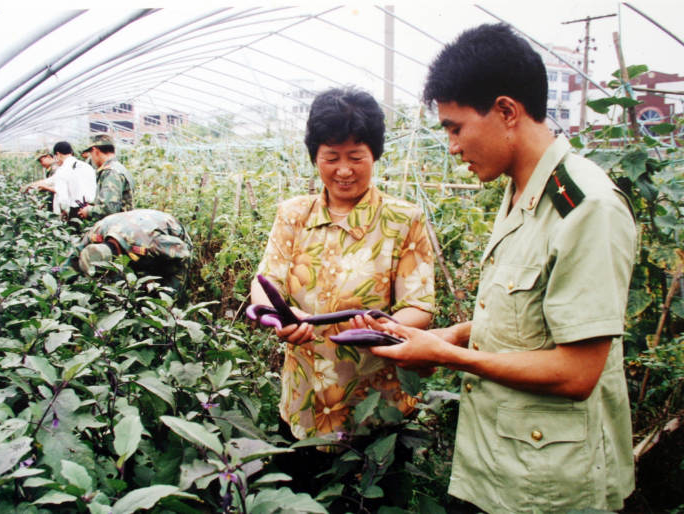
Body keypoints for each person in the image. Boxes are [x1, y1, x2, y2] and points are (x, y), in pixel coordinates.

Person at [355, 23, 637, 513]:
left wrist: (448, 358)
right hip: (498, 467)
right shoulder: (520, 192)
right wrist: (452, 335)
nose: (453, 146)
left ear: (507, 111)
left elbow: (577, 371)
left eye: (456, 127)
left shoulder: (585, 207)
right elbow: (524, 321)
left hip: (551, 487)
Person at [251, 87, 435, 508]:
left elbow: (419, 305)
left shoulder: (402, 220)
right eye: (331, 157)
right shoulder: (292, 215)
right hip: (304, 404)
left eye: (356, 156)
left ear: (376, 154)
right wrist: (282, 317)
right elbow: (264, 286)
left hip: (377, 409)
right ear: (315, 156)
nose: (344, 170)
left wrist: (384, 328)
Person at [65, 209, 192, 301]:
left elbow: (183, 254)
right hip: (129, 227)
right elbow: (75, 257)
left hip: (172, 241)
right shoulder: (96, 232)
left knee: (168, 297)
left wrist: (167, 296)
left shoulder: (150, 243)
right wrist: (61, 278)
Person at [22, 142, 96, 220]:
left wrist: (64, 212)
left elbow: (62, 196)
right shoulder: (86, 166)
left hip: (76, 210)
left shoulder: (63, 170)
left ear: (58, 154)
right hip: (90, 209)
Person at [78, 134, 135, 221]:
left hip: (116, 227)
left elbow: (109, 209)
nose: (91, 158)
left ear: (95, 150)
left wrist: (88, 211)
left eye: (91, 154)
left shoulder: (111, 172)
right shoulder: (119, 168)